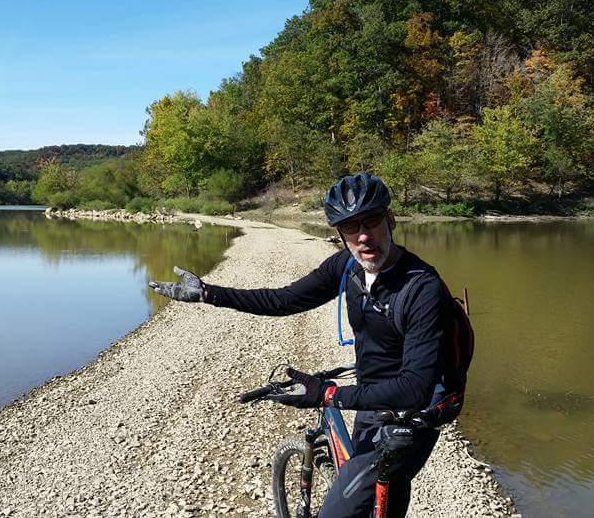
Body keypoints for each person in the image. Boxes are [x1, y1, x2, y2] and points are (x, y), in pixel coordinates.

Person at [149, 173, 455, 517]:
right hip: (374, 395)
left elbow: (415, 388)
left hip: (415, 412)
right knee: (373, 498)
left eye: (372, 221)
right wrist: (209, 293)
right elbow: (284, 300)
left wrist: (329, 394)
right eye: (351, 227)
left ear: (391, 220)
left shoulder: (421, 288)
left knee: (346, 505)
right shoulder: (347, 267)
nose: (364, 235)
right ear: (339, 234)